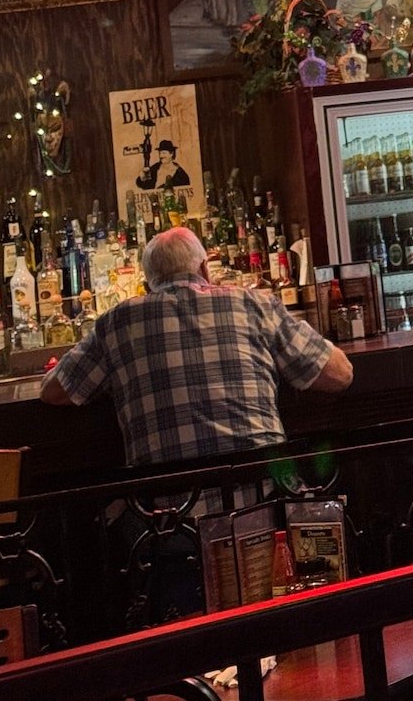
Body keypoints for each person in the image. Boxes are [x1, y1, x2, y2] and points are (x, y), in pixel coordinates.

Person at [41, 227, 351, 620]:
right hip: (262, 516)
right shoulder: (255, 304)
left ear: (145, 282)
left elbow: (54, 391)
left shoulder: (118, 321)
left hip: (170, 530)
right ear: (205, 267)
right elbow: (341, 375)